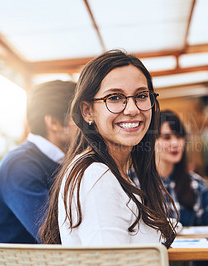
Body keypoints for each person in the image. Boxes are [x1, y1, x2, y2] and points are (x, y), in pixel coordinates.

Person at [39, 49, 176, 248]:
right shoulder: (96, 176)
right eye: (114, 98)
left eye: (141, 95)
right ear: (87, 111)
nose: (132, 109)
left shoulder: (114, 172)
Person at [0, 80, 77, 243]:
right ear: (54, 123)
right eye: (80, 115)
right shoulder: (19, 165)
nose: (90, 123)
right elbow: (53, 237)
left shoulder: (63, 162)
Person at [155, 110, 208, 226]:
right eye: (167, 137)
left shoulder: (197, 185)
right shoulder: (132, 183)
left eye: (179, 136)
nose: (175, 143)